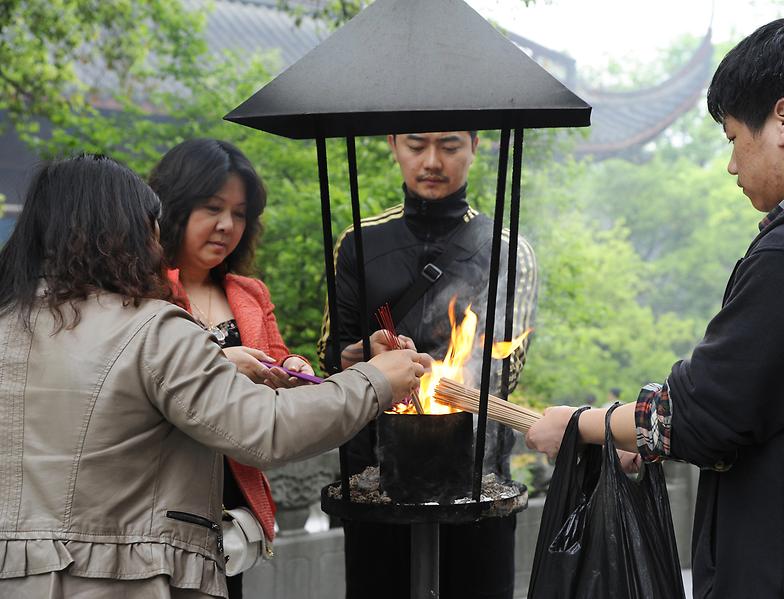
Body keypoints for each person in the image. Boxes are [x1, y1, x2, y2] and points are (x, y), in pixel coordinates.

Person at [526, 18, 784, 597]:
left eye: (731, 137)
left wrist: (579, 425)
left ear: (783, 119)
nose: (732, 164)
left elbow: (702, 415)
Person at [0, 154, 431, 598]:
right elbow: (266, 427)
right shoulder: (152, 327)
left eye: (239, 214)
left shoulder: (10, 320)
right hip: (123, 578)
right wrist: (374, 380)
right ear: (125, 231)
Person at [317, 131, 538, 599]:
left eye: (450, 147)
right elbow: (330, 355)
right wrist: (362, 356)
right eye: (417, 147)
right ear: (394, 146)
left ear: (476, 147)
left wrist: (433, 375)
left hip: (473, 469)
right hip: (378, 473)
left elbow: (505, 370)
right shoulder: (360, 242)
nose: (432, 161)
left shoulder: (505, 247)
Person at [149, 138, 318, 597]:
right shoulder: (142, 291)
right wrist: (221, 362)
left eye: (240, 213)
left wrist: (293, 366)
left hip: (231, 501)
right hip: (158, 500)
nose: (227, 225)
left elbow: (278, 354)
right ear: (173, 207)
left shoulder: (249, 293)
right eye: (212, 208)